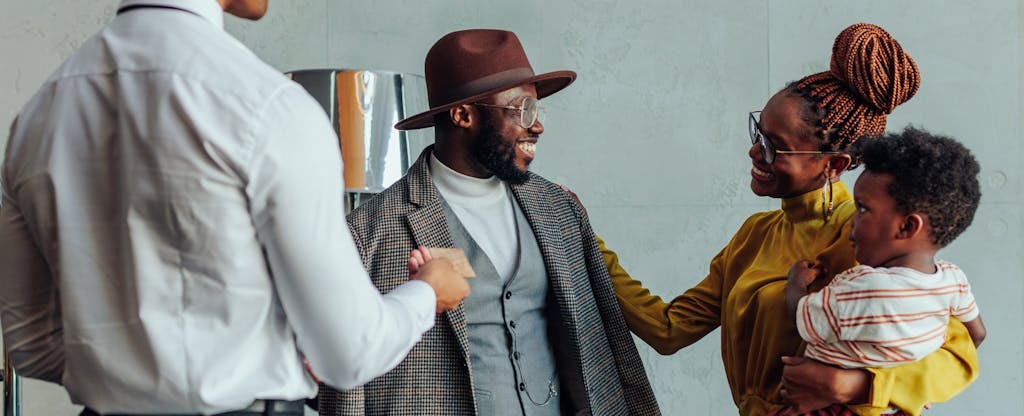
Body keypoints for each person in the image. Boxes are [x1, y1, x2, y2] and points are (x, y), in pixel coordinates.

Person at [0, 0, 468, 415]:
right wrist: (427, 293)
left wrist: (131, 374)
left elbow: (31, 348)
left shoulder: (36, 118)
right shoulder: (269, 108)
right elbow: (350, 353)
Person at [584, 23, 978, 416]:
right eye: (759, 134)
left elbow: (958, 356)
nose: (756, 153)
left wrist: (852, 385)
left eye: (776, 148)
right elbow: (668, 330)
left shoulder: (867, 238)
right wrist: (584, 238)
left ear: (833, 164)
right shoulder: (755, 235)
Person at [316, 29, 660, 415]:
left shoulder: (559, 210)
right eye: (522, 110)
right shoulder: (369, 233)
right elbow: (343, 372)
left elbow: (605, 339)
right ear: (463, 115)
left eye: (537, 110)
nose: (537, 126)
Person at [781, 128, 986, 415]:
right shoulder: (954, 281)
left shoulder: (864, 287)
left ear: (906, 227)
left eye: (863, 209)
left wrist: (795, 284)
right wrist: (910, 373)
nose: (852, 220)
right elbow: (976, 334)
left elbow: (801, 316)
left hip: (828, 407)